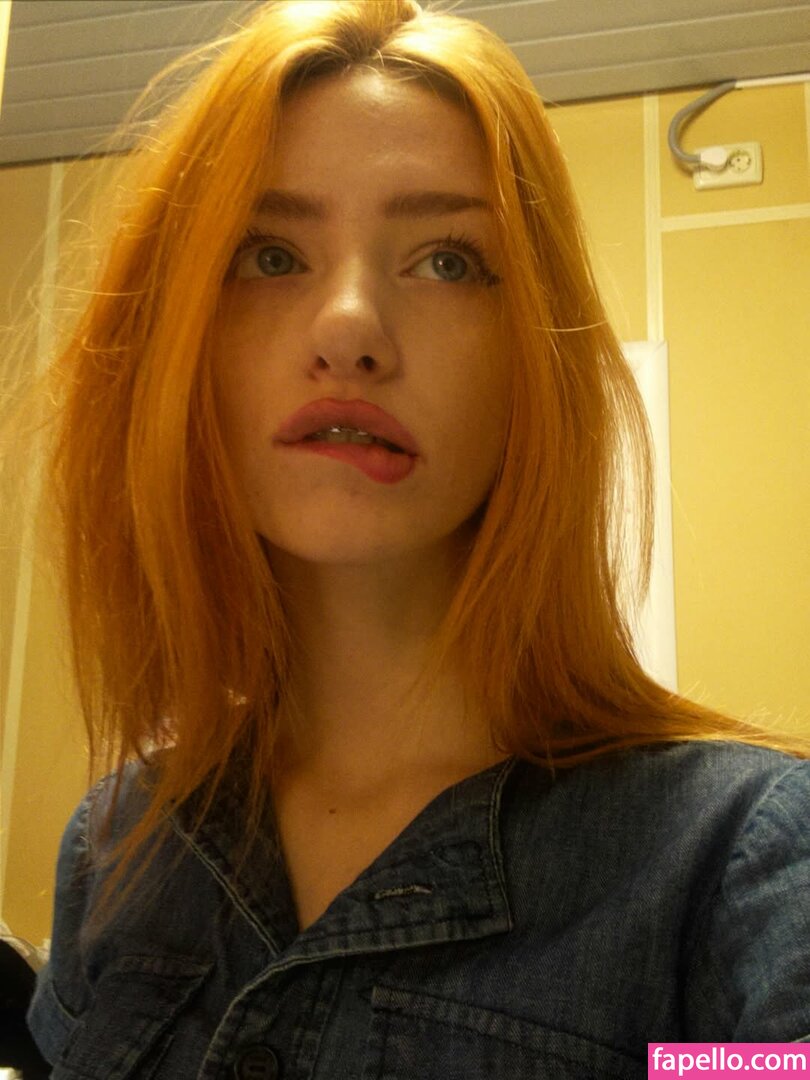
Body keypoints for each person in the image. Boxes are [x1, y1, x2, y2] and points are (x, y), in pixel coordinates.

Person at [20, 0, 810, 1075]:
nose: (349, 326)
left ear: (534, 363)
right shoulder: (118, 843)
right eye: (269, 255)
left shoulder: (741, 864)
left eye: (447, 261)